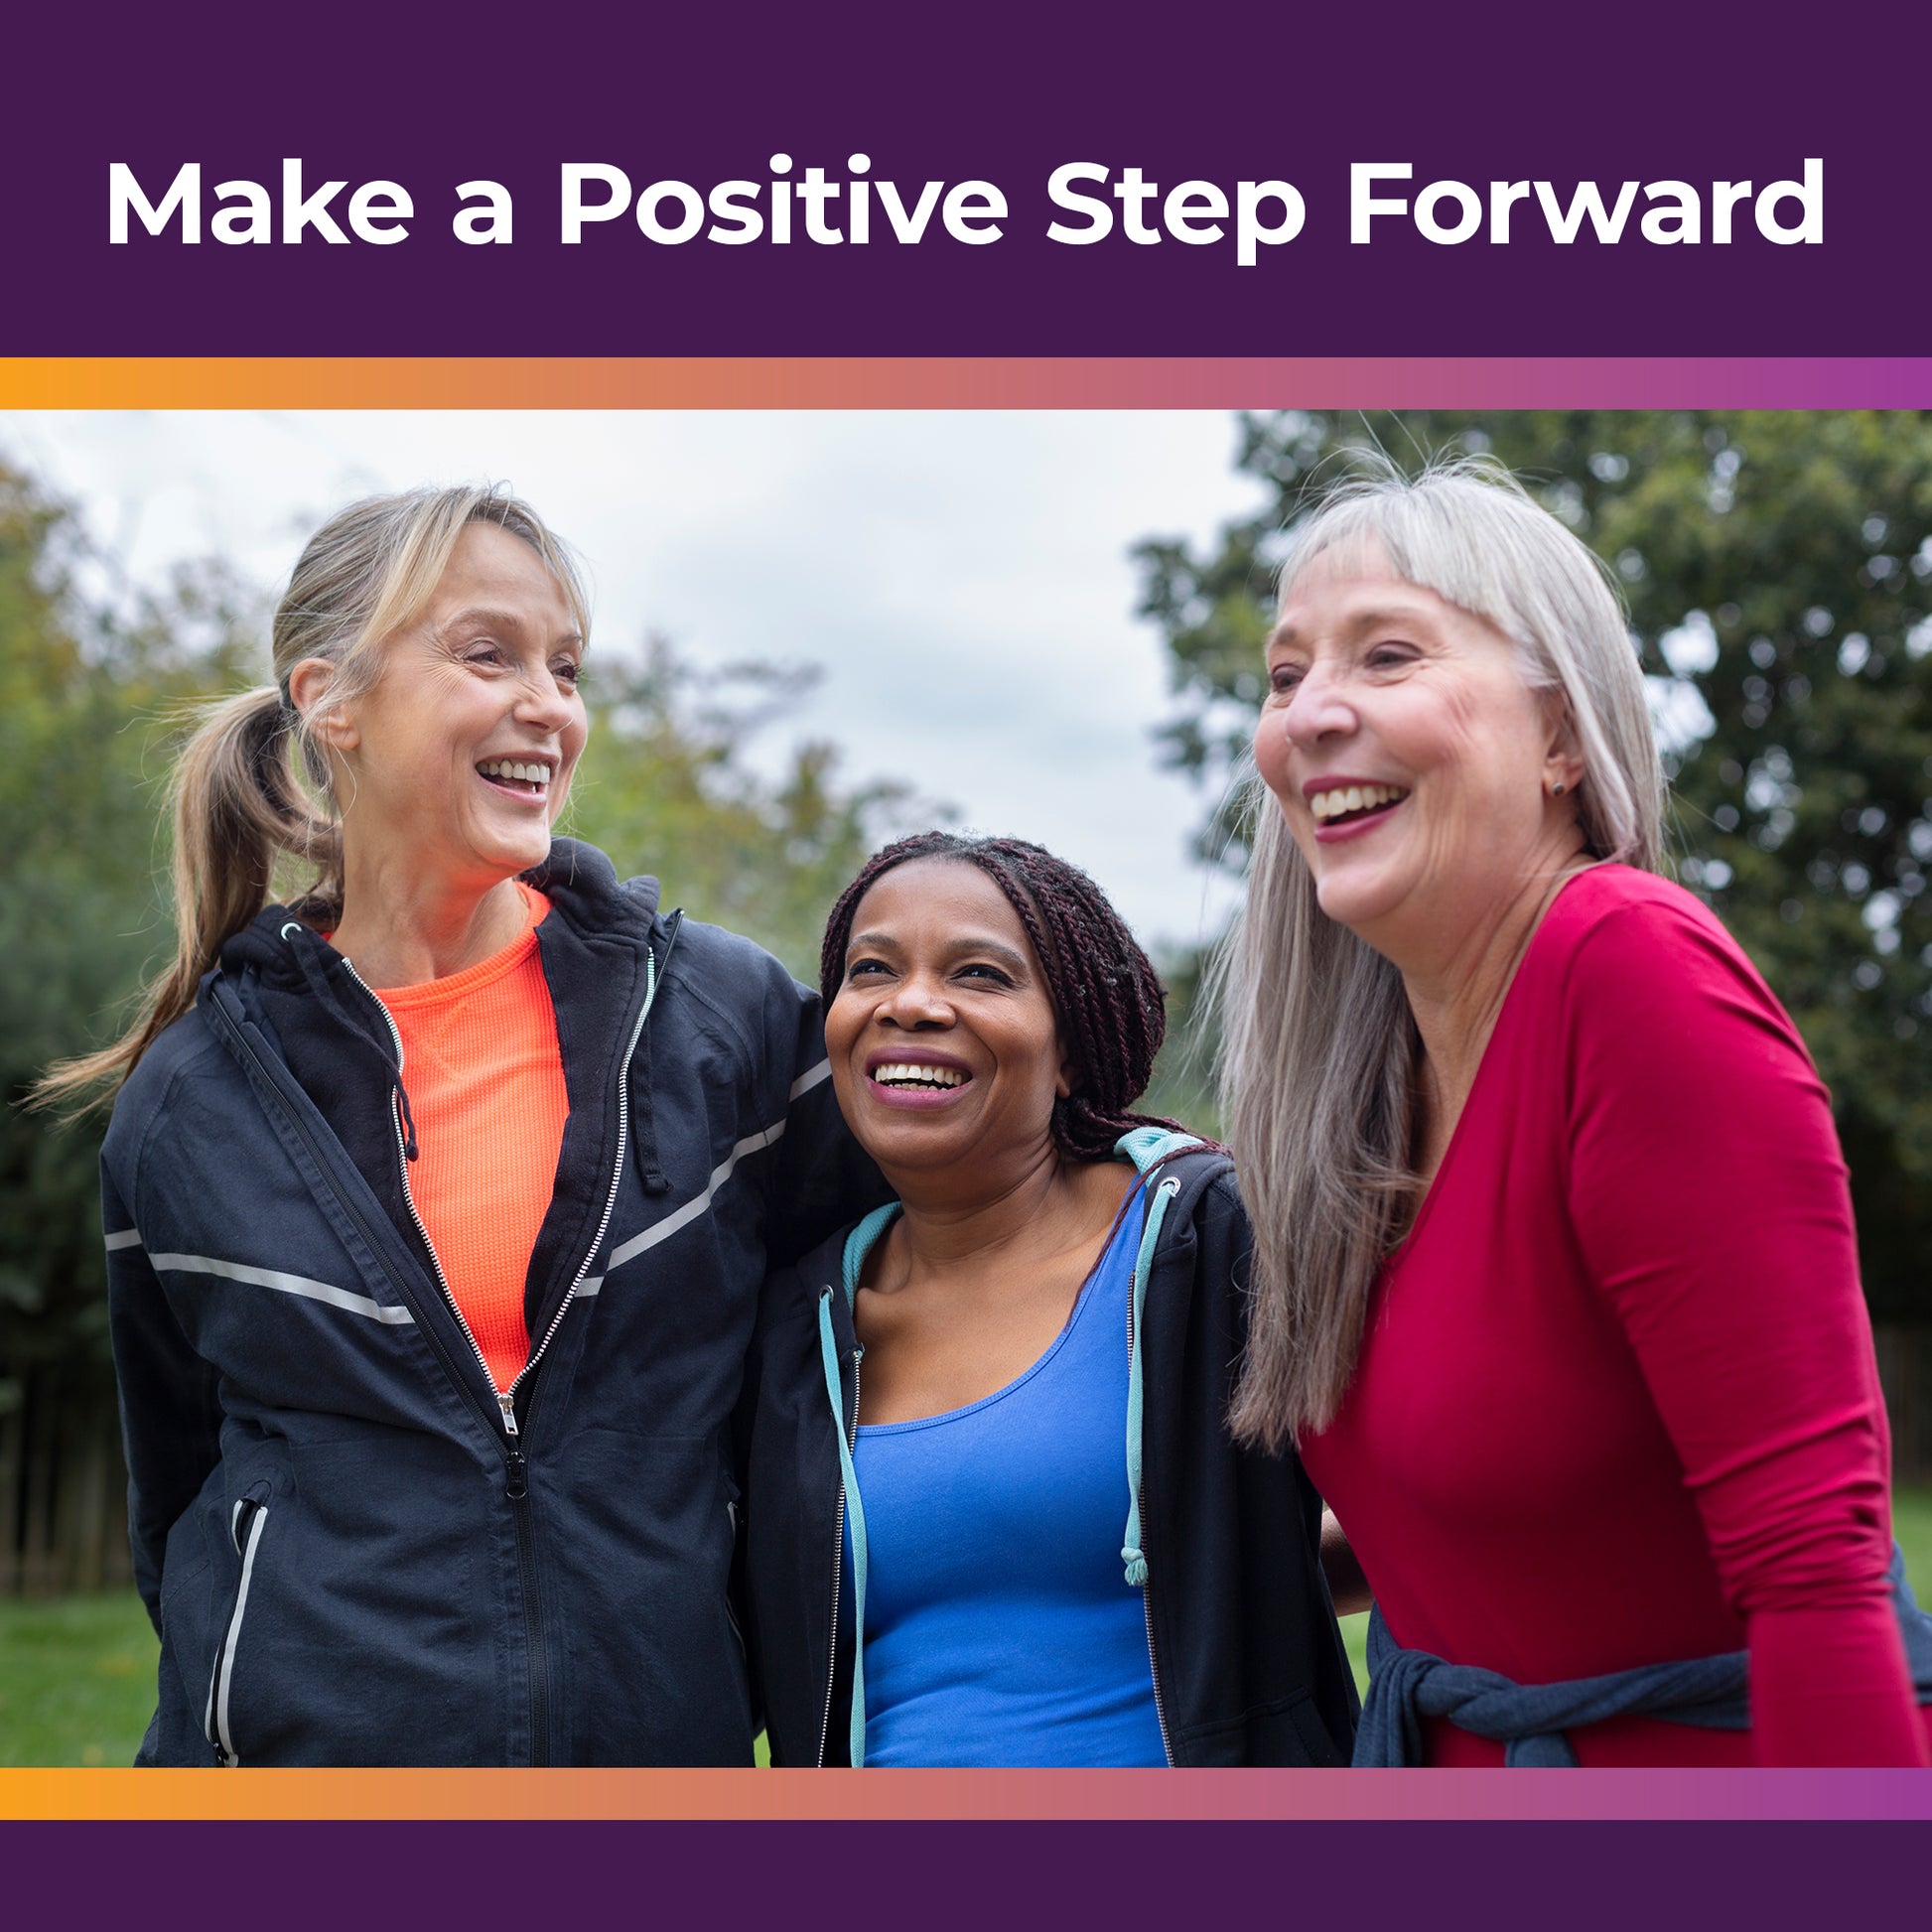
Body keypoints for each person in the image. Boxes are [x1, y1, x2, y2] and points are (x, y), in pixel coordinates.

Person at [36, 484, 876, 1766]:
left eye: (566, 666)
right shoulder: (192, 1098)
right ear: (332, 698)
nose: (550, 704)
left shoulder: (717, 1017)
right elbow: (187, 1494)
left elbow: (926, 1247)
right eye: (488, 654)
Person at [1225, 459, 1932, 1766]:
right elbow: (1490, 1524)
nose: (1310, 714)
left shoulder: (1628, 971)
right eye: (1282, 676)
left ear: (1561, 738)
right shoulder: (1362, 1096)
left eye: (1386, 655)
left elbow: (1814, 1572)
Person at [740, 832, 1359, 1766]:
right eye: (872, 970)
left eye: (980, 975)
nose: (909, 1003)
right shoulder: (800, 1321)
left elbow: (1431, 1509)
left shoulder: (1211, 1242)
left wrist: (1232, 1581)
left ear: (1073, 1047)